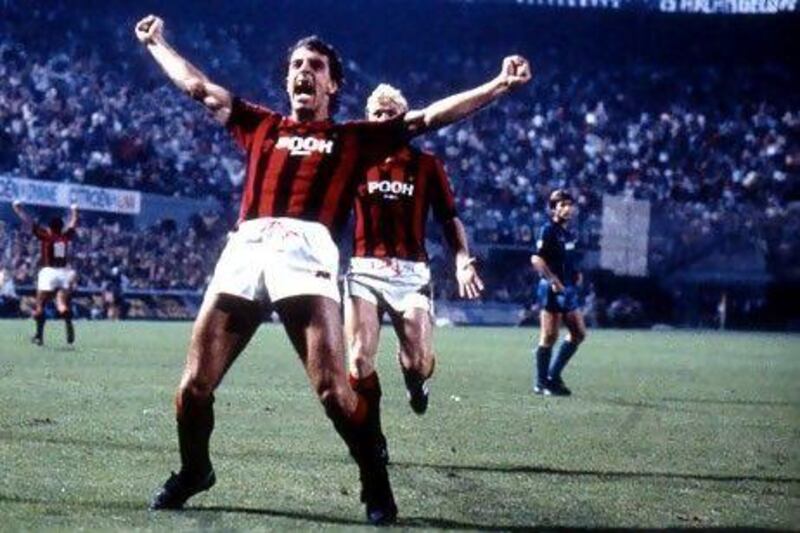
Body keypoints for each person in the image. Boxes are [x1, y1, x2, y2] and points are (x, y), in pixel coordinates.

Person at [134, 14, 530, 524]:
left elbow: (429, 118)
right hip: (247, 246)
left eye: (316, 66)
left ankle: (374, 481)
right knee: (193, 387)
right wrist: (157, 43)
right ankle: (195, 470)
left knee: (334, 392)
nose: (304, 72)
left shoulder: (352, 138)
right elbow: (198, 87)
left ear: (333, 84)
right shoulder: (260, 125)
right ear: (287, 80)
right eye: (297, 65)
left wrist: (499, 84)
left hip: (306, 249)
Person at [344, 85, 483, 457]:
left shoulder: (426, 166)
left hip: (411, 274)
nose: (383, 118)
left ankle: (415, 381)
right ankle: (373, 439)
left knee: (419, 361)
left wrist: (460, 259)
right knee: (358, 357)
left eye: (391, 112)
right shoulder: (354, 161)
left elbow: (449, 218)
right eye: (376, 112)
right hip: (364, 270)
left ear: (404, 119)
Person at [530, 190, 587, 396]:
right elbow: (537, 259)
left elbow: (569, 258)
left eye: (569, 204)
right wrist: (552, 279)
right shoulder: (548, 230)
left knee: (578, 333)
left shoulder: (569, 233)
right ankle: (540, 382)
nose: (567, 208)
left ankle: (552, 377)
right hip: (553, 289)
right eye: (562, 205)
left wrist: (576, 273)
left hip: (569, 289)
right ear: (553, 208)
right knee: (549, 335)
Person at [11, 201, 79, 346]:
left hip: (48, 272)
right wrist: (74, 210)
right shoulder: (65, 237)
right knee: (61, 302)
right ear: (61, 227)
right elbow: (73, 223)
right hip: (63, 272)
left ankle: (39, 336)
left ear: (50, 228)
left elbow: (29, 221)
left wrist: (18, 209)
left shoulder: (46, 236)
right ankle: (67, 318)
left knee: (40, 305)